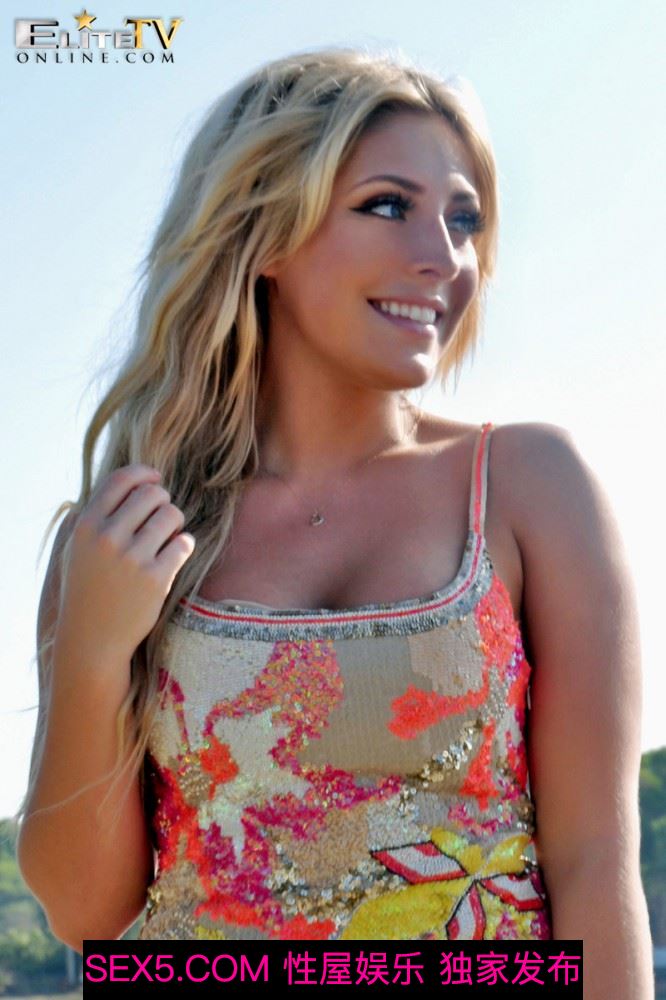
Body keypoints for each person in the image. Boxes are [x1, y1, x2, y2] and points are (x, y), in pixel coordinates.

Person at [16, 46, 653, 992]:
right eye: (388, 206)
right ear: (264, 234)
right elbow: (87, 914)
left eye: (464, 219)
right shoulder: (127, 534)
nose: (443, 256)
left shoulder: (530, 486)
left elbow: (596, 860)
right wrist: (94, 654)